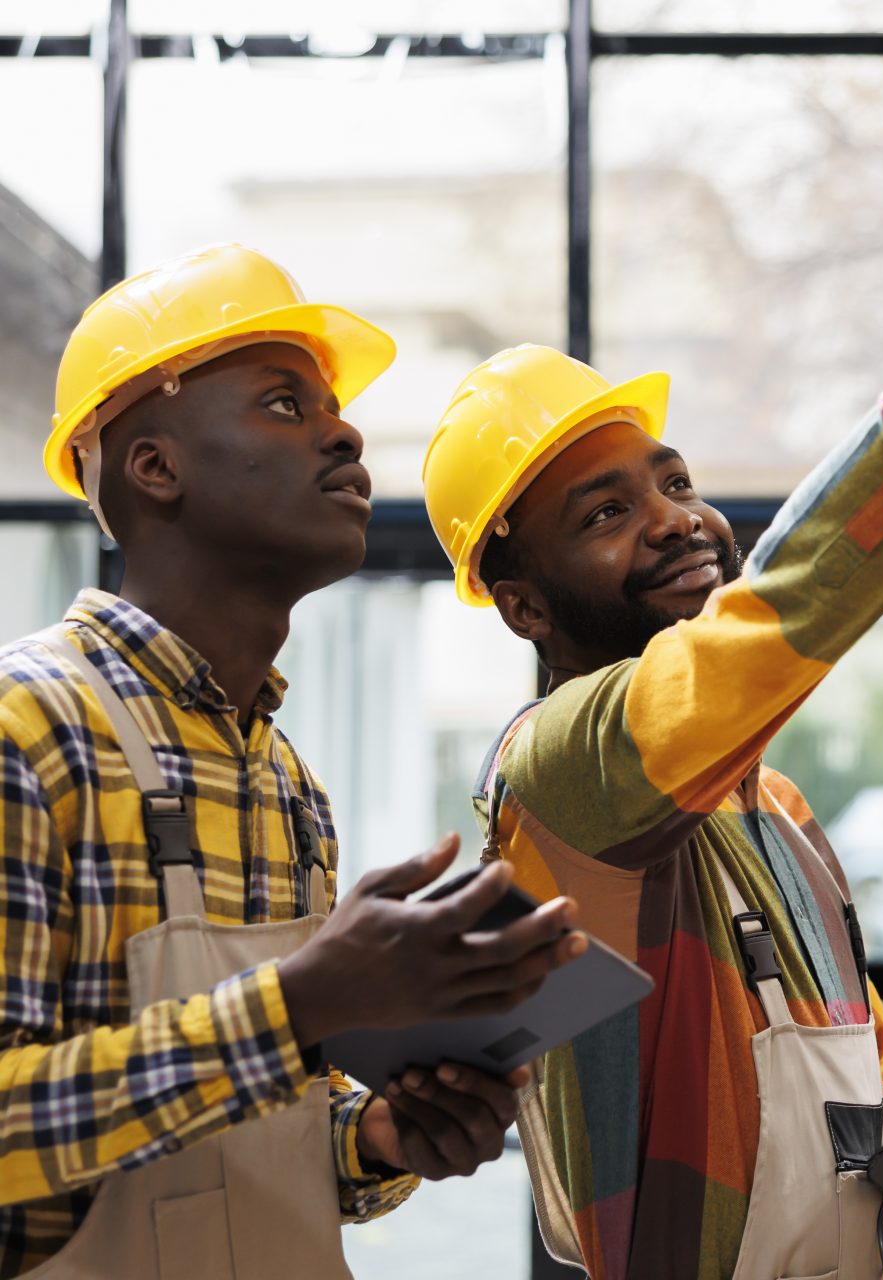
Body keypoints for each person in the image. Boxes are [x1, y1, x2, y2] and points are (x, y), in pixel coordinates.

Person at [420, 101, 883, 1280]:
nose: (674, 517)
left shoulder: (777, 816)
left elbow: (876, 1163)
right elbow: (792, 603)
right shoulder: (556, 776)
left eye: (670, 480)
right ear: (525, 607)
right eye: (606, 512)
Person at [0, 244, 586, 1278]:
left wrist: (377, 1138)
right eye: (284, 403)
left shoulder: (286, 786)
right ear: (155, 466)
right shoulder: (27, 729)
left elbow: (258, 1135)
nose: (346, 429)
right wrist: (302, 1003)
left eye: (330, 406)